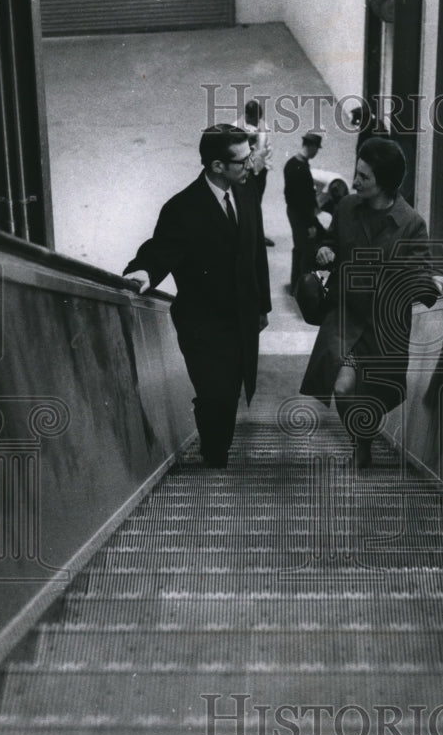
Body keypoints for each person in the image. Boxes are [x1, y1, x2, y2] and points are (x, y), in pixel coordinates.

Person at [123, 124, 271, 469]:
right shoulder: (182, 208)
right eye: (242, 161)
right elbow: (158, 251)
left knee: (230, 390)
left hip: (241, 319)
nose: (250, 166)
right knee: (213, 392)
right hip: (202, 324)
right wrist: (142, 271)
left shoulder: (246, 194)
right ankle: (214, 456)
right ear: (217, 166)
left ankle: (217, 449)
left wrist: (262, 306)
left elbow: (255, 256)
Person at [300, 137, 440, 467]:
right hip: (346, 314)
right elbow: (331, 241)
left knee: (379, 394)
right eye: (356, 172)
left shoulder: (412, 224)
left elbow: (421, 270)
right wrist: (326, 251)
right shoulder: (347, 207)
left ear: (385, 183)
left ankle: (364, 435)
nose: (355, 181)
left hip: (384, 325)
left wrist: (425, 286)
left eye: (364, 177)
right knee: (344, 387)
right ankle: (360, 441)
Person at [283, 131, 323, 294]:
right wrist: (310, 224)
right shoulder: (302, 169)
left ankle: (295, 285)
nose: (316, 152)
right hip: (302, 215)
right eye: (317, 149)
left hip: (293, 212)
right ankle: (302, 287)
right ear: (312, 147)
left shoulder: (291, 163)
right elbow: (303, 201)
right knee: (306, 250)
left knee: (299, 247)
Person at [242, 99, 275, 246]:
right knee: (242, 203)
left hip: (260, 171)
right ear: (247, 116)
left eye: (258, 118)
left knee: (256, 203)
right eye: (253, 118)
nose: (256, 121)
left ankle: (256, 236)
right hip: (244, 171)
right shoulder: (237, 126)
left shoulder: (263, 127)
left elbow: (264, 150)